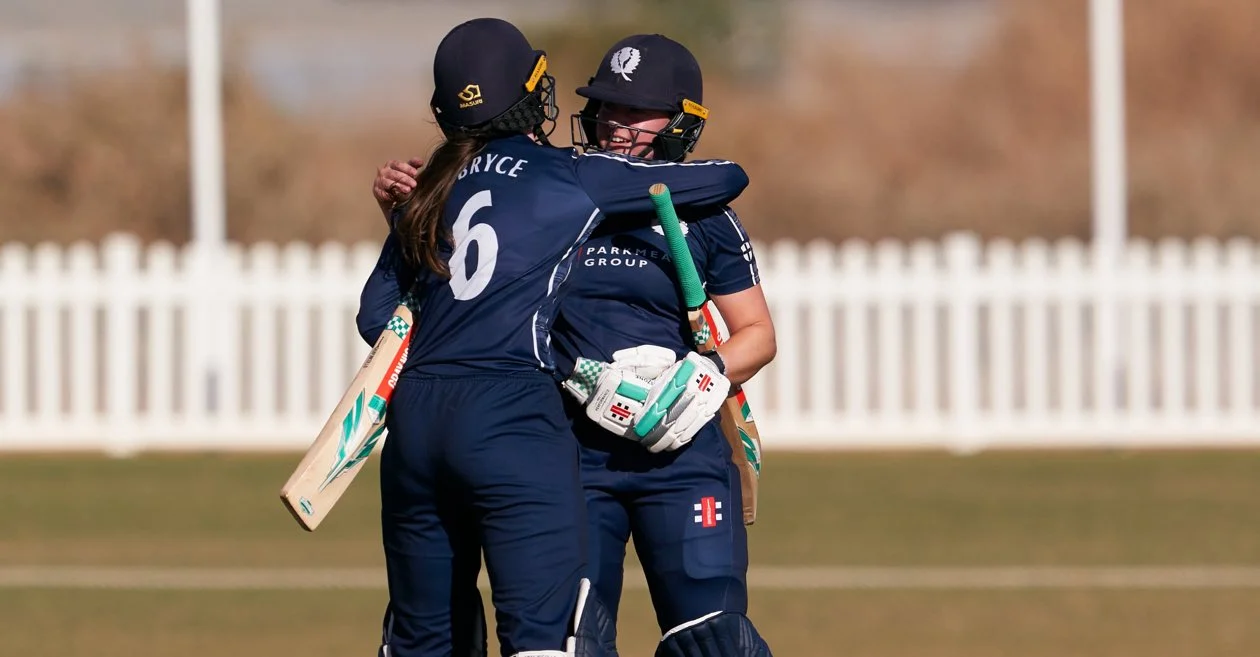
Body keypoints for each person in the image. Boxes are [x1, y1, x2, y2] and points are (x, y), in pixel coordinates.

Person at [372, 33, 776, 657]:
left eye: (636, 112)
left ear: (681, 123)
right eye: (607, 106)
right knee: (575, 642)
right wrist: (411, 209)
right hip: (575, 455)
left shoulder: (704, 213)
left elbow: (758, 335)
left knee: (716, 642)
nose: (616, 124)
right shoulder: (557, 189)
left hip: (682, 455)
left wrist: (706, 374)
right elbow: (468, 296)